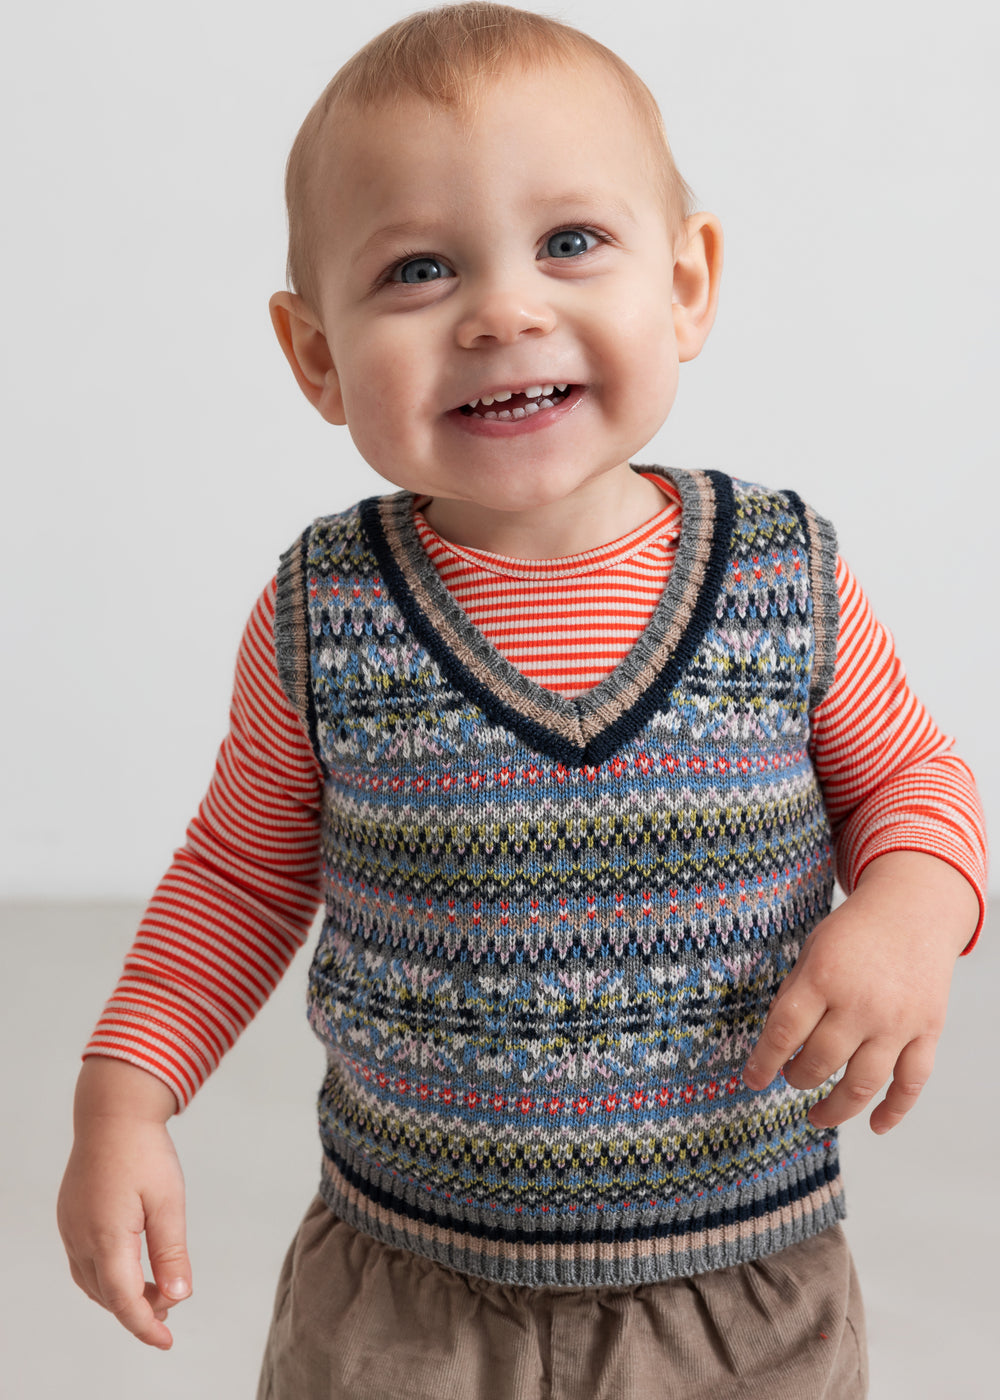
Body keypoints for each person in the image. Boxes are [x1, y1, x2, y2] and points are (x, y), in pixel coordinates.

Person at [57, 5, 987, 1397]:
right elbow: (239, 877)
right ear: (317, 358)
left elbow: (915, 783)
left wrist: (913, 905)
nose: (504, 312)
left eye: (570, 242)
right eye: (420, 269)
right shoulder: (328, 611)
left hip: (738, 1289)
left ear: (687, 284)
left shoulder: (779, 573)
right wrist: (124, 1095)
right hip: (406, 1296)